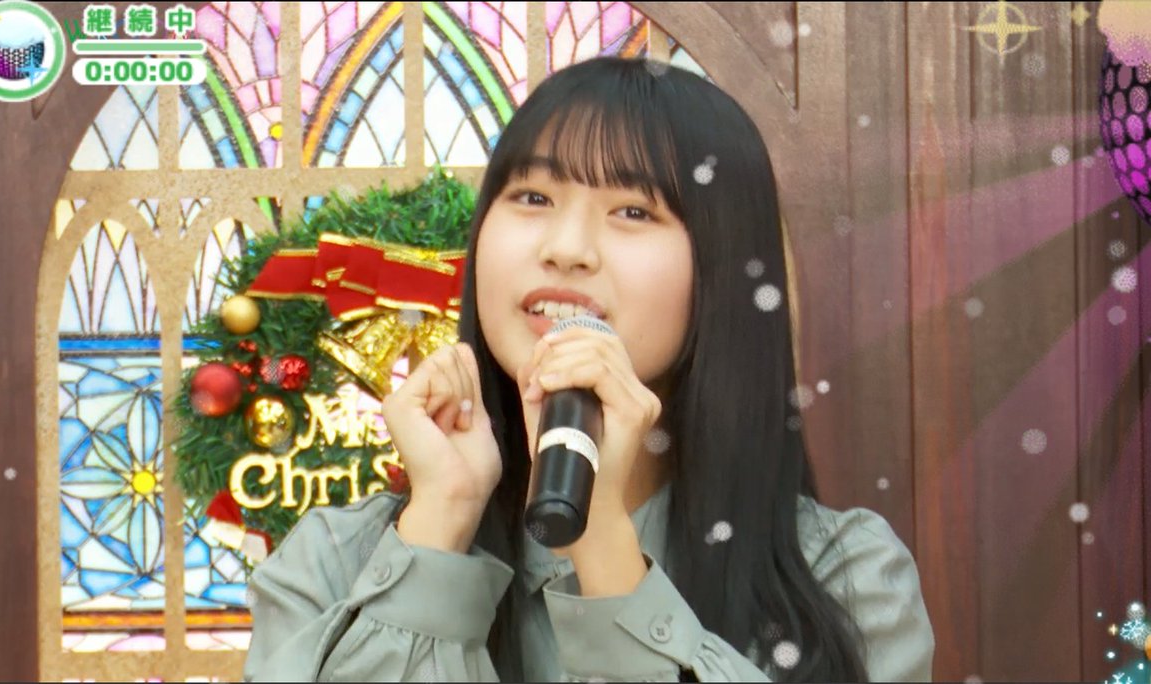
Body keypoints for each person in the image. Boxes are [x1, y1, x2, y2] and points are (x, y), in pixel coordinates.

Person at [243, 56, 935, 683]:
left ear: (723, 271)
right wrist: (440, 527)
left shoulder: (847, 582)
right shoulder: (335, 560)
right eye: (533, 198)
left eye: (633, 210)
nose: (567, 247)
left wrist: (602, 545)